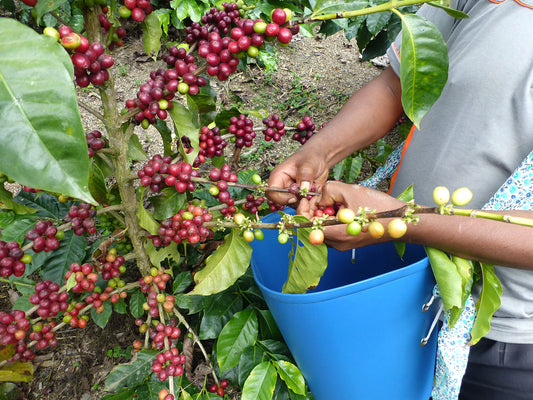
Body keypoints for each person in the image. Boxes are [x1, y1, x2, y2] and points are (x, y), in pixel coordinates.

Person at [267, 1, 533, 399]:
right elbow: (398, 85)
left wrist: (400, 220)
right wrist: (320, 152)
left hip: (503, 336)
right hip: (402, 282)